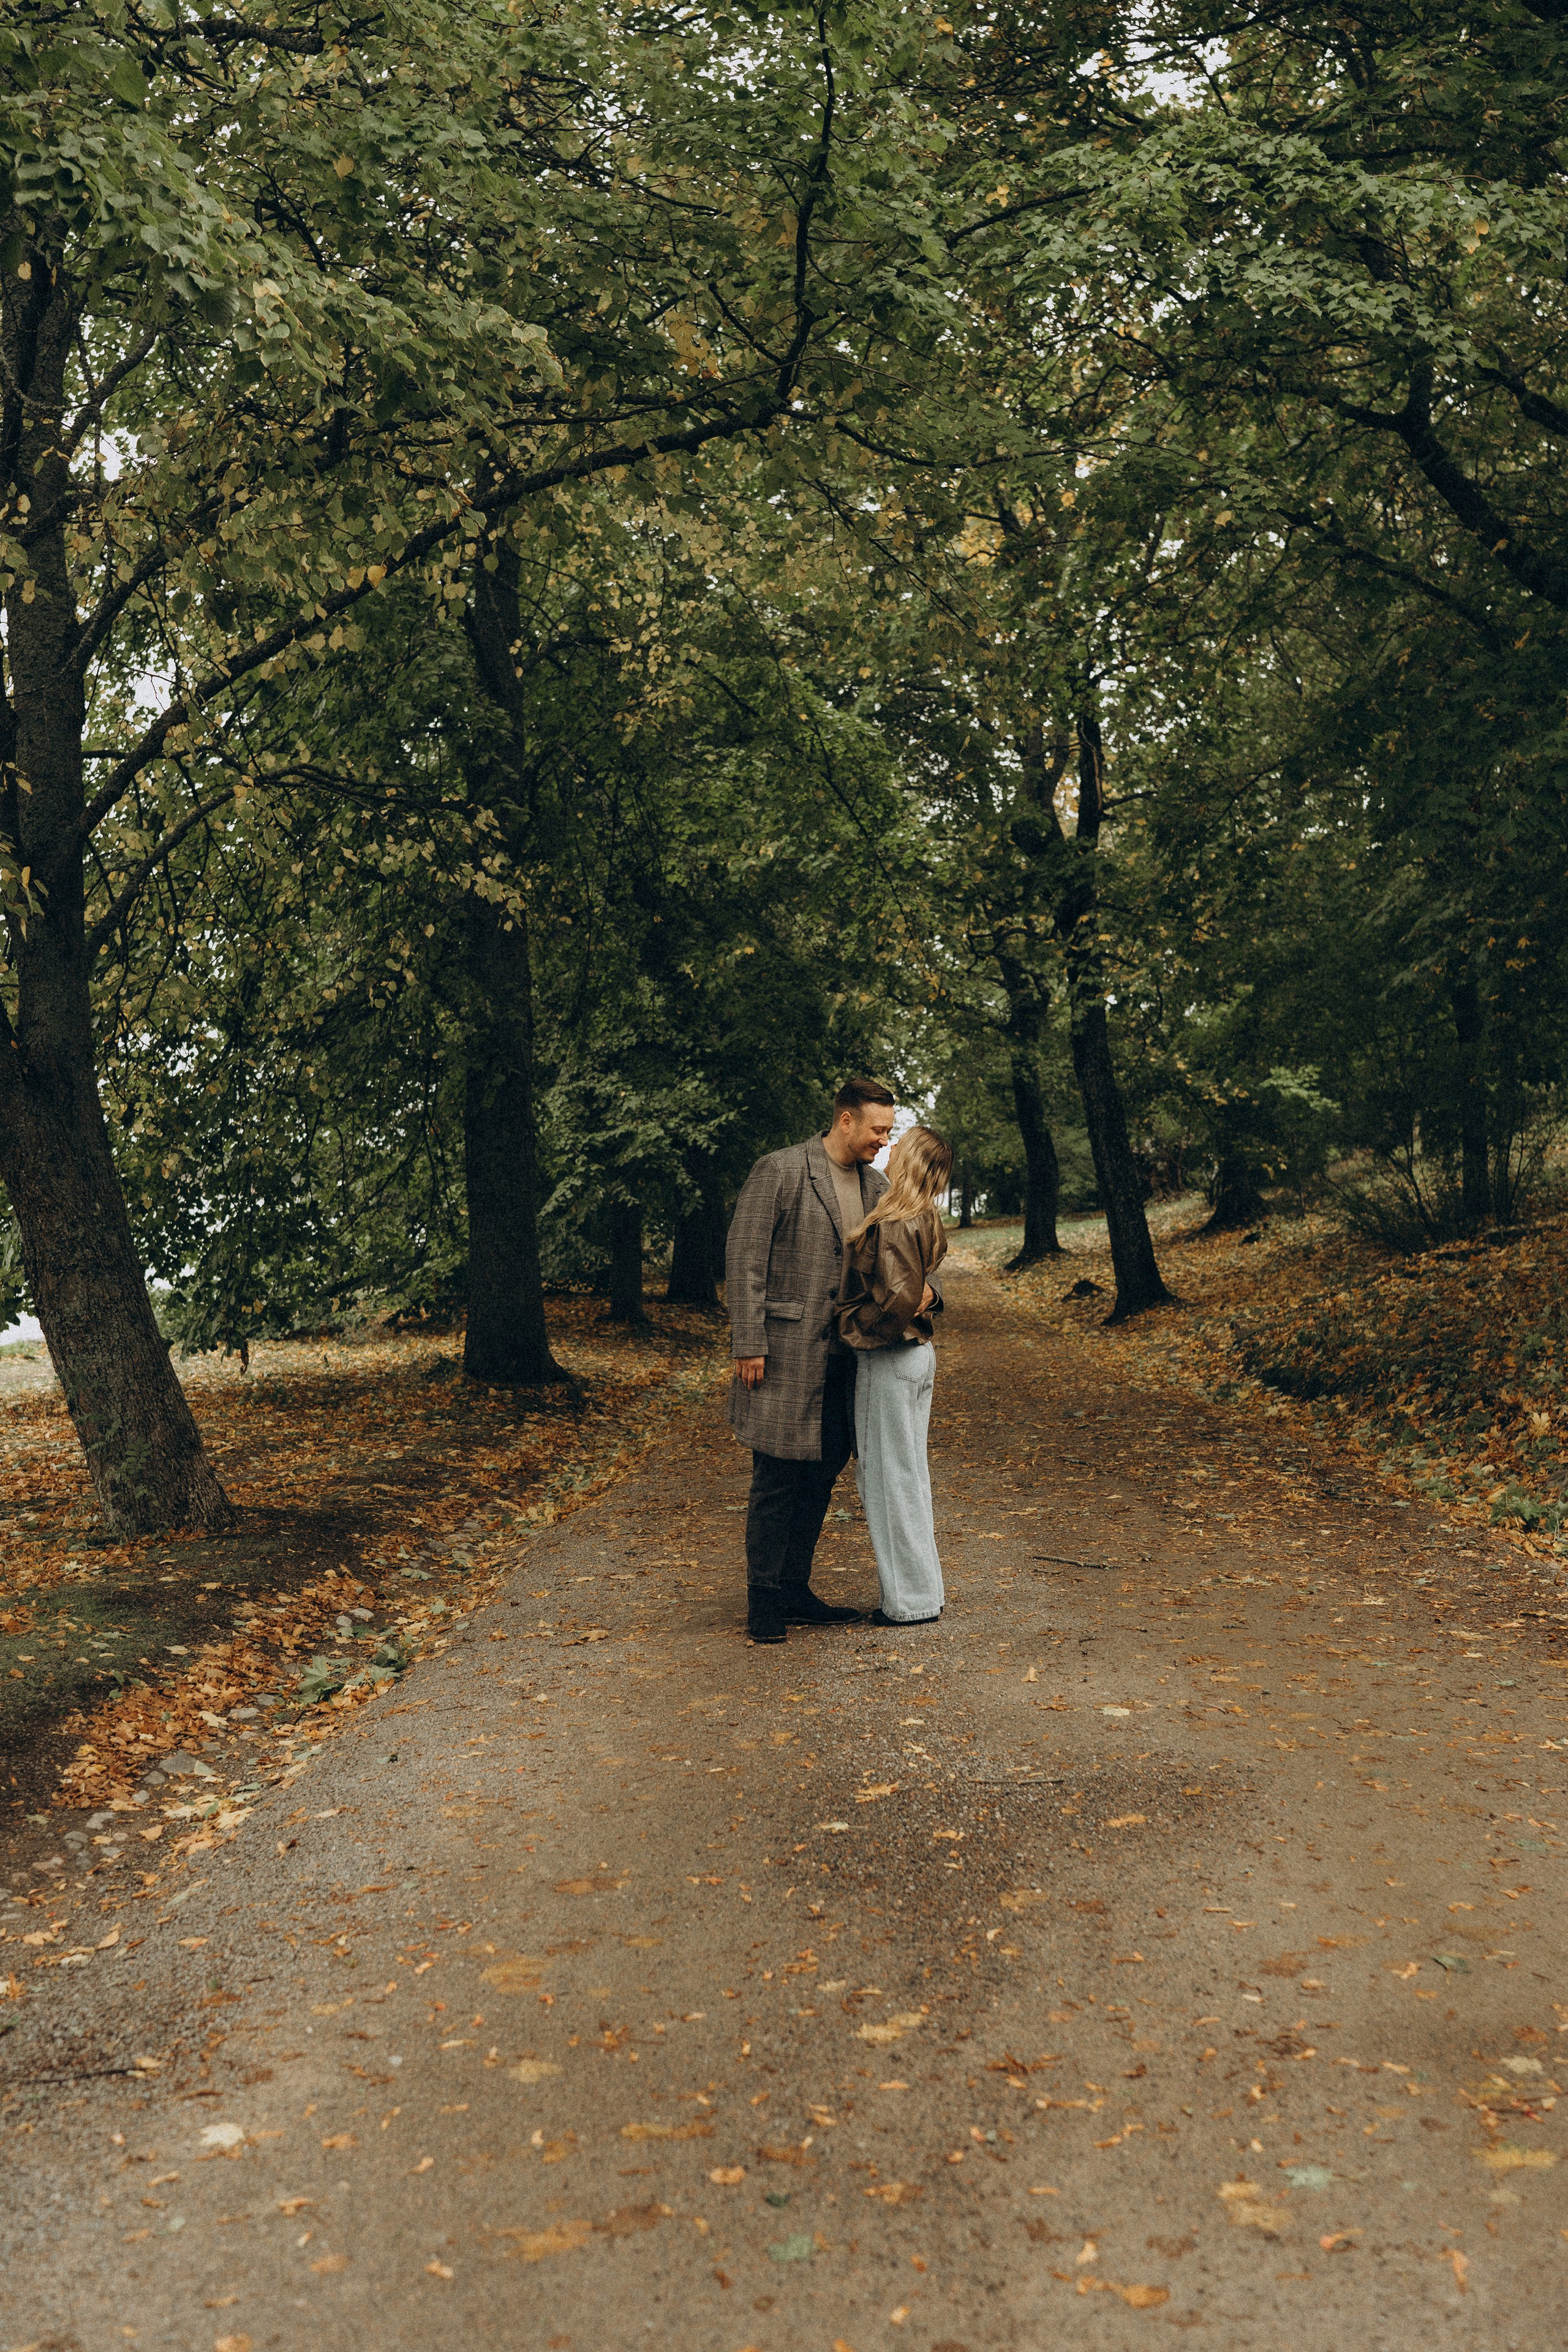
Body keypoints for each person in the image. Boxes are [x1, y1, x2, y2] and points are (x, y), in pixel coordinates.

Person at [725, 1079, 941, 1645]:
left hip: (850, 1359)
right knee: (776, 1477)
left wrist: (931, 1296)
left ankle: (796, 1588)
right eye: (876, 1130)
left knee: (822, 1474)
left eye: (889, 1132)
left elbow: (908, 1258)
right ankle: (764, 1602)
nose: (883, 1141)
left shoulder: (878, 1187)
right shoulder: (781, 1170)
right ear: (845, 1120)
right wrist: (748, 1340)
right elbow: (745, 1257)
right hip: (783, 1352)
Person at [835, 1125, 952, 1626]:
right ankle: (924, 1591)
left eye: (900, 1142)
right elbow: (920, 1286)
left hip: (892, 1358)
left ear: (912, 1160)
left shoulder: (899, 1219)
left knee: (888, 1481)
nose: (891, 1146)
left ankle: (910, 1603)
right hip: (915, 1356)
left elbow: (896, 1304)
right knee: (908, 1476)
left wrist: (847, 1322)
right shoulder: (921, 1215)